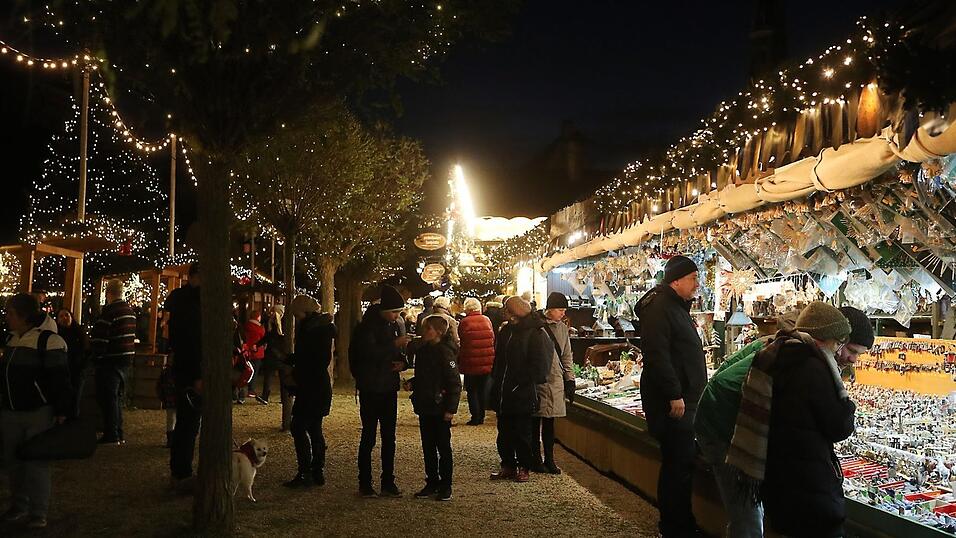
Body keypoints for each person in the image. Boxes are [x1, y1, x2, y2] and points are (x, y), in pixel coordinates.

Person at [728, 301, 859, 538]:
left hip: (778, 478)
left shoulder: (774, 355)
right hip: (808, 483)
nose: (840, 351)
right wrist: (848, 404)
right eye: (839, 343)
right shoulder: (813, 368)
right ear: (823, 338)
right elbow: (839, 426)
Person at [694, 309, 799, 538]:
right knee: (746, 510)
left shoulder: (768, 345)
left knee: (746, 507)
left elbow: (723, 371)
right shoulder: (782, 357)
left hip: (714, 423)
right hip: (722, 431)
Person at [637, 255, 706, 538]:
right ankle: (675, 526)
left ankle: (681, 521)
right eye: (692, 278)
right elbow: (657, 354)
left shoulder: (675, 306)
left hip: (684, 399)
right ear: (676, 280)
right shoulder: (661, 308)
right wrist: (674, 393)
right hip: (673, 403)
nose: (697, 284)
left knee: (681, 464)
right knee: (677, 465)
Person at [0, 293, 74, 529]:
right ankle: (19, 505)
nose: (6, 317)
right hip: (10, 410)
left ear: (23, 316)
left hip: (37, 412)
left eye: (10, 313)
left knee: (37, 464)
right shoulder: (11, 339)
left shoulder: (49, 341)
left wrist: (62, 410)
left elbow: (61, 380)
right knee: (13, 462)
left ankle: (38, 511)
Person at [350, 285, 410, 498]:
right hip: (371, 387)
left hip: (388, 386)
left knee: (389, 436)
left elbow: (399, 354)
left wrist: (402, 363)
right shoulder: (366, 327)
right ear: (384, 309)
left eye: (399, 312)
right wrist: (394, 345)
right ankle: (365, 482)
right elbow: (367, 354)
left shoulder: (394, 325)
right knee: (368, 435)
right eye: (394, 312)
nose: (397, 316)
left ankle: (388, 480)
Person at [488, 296, 551, 483]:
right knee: (504, 431)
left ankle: (524, 466)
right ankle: (507, 464)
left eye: (506, 310)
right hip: (504, 390)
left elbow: (540, 366)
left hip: (521, 391)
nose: (503, 313)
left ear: (514, 314)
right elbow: (500, 359)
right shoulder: (506, 331)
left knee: (522, 433)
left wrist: (521, 382)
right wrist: (496, 380)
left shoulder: (535, 334)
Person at [283, 295, 337, 488]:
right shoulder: (317, 328)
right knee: (314, 428)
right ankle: (316, 470)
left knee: (299, 426)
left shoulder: (313, 330)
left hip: (311, 386)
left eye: (296, 313)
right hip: (316, 385)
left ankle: (306, 471)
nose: (295, 317)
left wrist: (295, 374)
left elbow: (314, 361)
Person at [410, 316, 461, 501]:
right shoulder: (424, 351)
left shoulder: (445, 352)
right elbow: (426, 376)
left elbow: (454, 382)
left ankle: (445, 484)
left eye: (428, 329)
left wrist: (450, 409)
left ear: (438, 331)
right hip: (426, 404)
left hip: (439, 406)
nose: (424, 332)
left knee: (443, 447)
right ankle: (432, 481)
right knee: (428, 447)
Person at [165, 262, 202, 490]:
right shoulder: (192, 302)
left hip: (184, 366)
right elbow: (193, 339)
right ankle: (182, 472)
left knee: (186, 422)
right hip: (192, 369)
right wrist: (198, 373)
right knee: (189, 423)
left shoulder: (178, 299)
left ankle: (179, 470)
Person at [532, 292, 575, 474]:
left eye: (564, 310)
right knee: (534, 422)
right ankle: (534, 458)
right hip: (539, 380)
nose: (562, 314)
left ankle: (549, 458)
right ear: (549, 309)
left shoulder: (563, 329)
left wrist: (570, 379)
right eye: (559, 310)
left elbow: (567, 355)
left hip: (556, 381)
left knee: (550, 424)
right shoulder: (536, 327)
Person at [90, 279, 136, 445]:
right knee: (116, 398)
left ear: (108, 293)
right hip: (125, 359)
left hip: (110, 360)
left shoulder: (109, 312)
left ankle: (111, 434)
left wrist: (96, 357)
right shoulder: (129, 310)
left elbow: (101, 338)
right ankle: (118, 432)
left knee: (107, 398)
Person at [457, 297, 495, 426]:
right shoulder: (486, 320)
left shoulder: (464, 322)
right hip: (486, 359)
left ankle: (475, 416)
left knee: (472, 390)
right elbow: (492, 338)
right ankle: (482, 415)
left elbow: (461, 338)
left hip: (470, 360)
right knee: (482, 389)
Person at [56, 308, 89, 412]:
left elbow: (86, 349)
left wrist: (82, 365)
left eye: (67, 315)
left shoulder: (79, 332)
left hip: (77, 369)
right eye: (61, 316)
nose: (64, 318)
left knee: (75, 395)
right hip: (62, 369)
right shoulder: (56, 334)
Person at [257, 306, 285, 404]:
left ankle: (268, 396)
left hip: (277, 354)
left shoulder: (277, 323)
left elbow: (268, 338)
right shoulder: (272, 323)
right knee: (272, 376)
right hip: (278, 355)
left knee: (274, 376)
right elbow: (267, 337)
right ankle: (272, 397)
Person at [243, 310, 267, 403]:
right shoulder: (259, 328)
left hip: (247, 351)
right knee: (255, 371)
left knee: (247, 370)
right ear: (258, 317)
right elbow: (263, 338)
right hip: (257, 352)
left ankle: (243, 389)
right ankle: (251, 389)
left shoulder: (246, 326)